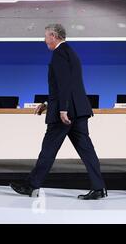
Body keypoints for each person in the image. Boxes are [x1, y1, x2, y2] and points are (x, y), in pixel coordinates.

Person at [10, 24, 107, 200]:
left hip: (66, 113)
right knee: (87, 151)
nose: (44, 39)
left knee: (48, 149)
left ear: (54, 36)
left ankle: (31, 185)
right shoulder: (70, 52)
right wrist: (48, 103)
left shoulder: (59, 54)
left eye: (46, 35)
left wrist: (62, 109)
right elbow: (67, 85)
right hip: (78, 110)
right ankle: (99, 188)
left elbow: (64, 84)